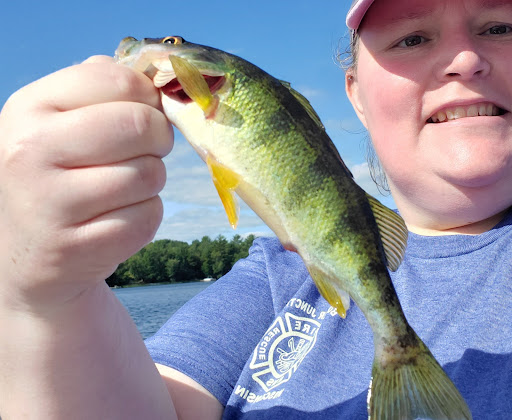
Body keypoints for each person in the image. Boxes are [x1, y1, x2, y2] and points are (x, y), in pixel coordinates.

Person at [0, 0, 511, 418]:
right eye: (413, 39)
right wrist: (44, 301)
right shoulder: (273, 279)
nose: (464, 60)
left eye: (500, 27)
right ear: (354, 93)